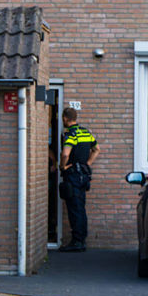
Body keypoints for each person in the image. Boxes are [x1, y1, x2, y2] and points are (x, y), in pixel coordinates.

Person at [59, 107, 99, 252]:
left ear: (65, 119)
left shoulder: (71, 134)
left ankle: (77, 242)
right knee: (80, 207)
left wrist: (62, 167)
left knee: (74, 208)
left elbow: (65, 154)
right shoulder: (86, 132)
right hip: (83, 175)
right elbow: (96, 149)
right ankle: (81, 240)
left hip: (73, 175)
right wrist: (86, 165)